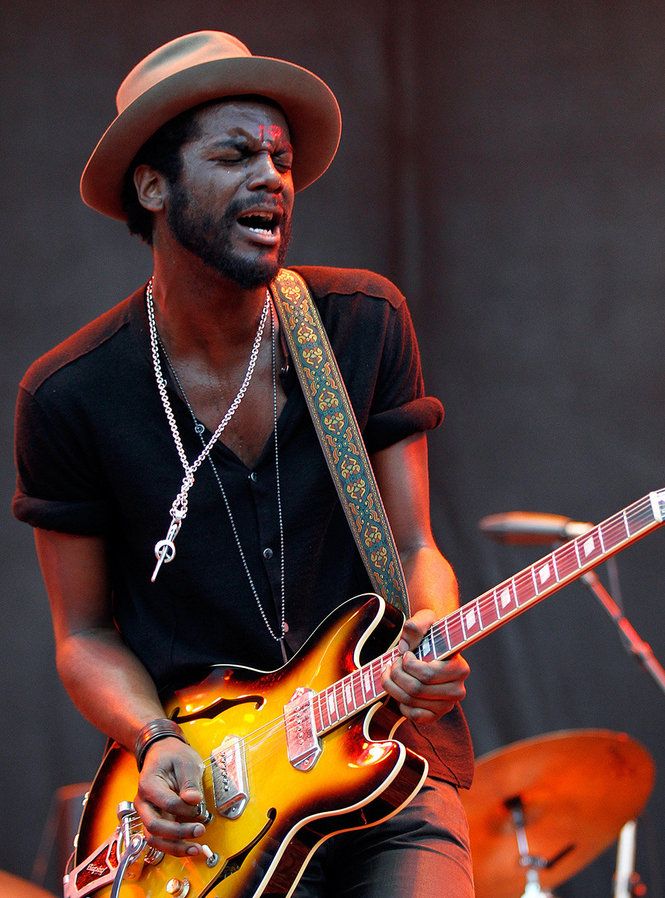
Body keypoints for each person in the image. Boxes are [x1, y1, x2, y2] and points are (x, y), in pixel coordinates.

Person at [13, 31, 474, 897]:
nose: (272, 178)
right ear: (153, 186)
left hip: (385, 762)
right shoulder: (70, 395)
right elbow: (82, 634)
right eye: (235, 155)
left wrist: (431, 631)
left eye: (281, 158)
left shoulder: (361, 323)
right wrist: (154, 740)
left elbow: (416, 547)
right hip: (215, 807)